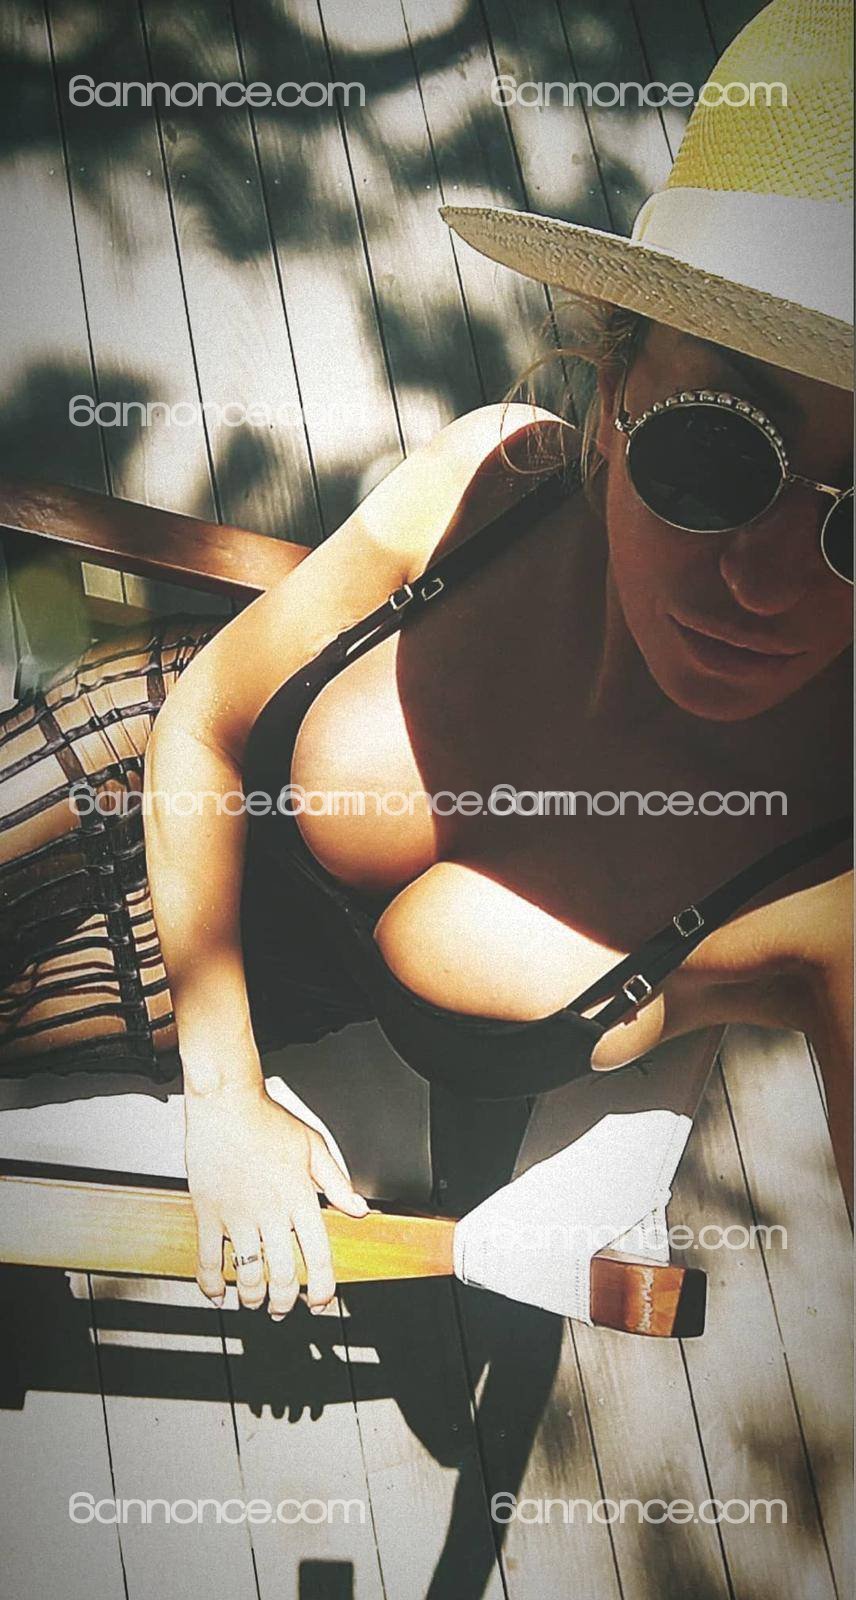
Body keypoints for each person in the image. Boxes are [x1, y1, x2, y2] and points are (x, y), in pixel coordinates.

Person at [0, 0, 852, 1322]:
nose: (767, 582)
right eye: (718, 451)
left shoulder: (830, 870)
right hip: (117, 765)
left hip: (140, 1004)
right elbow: (206, 728)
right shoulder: (498, 480)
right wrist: (227, 1102)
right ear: (613, 395)